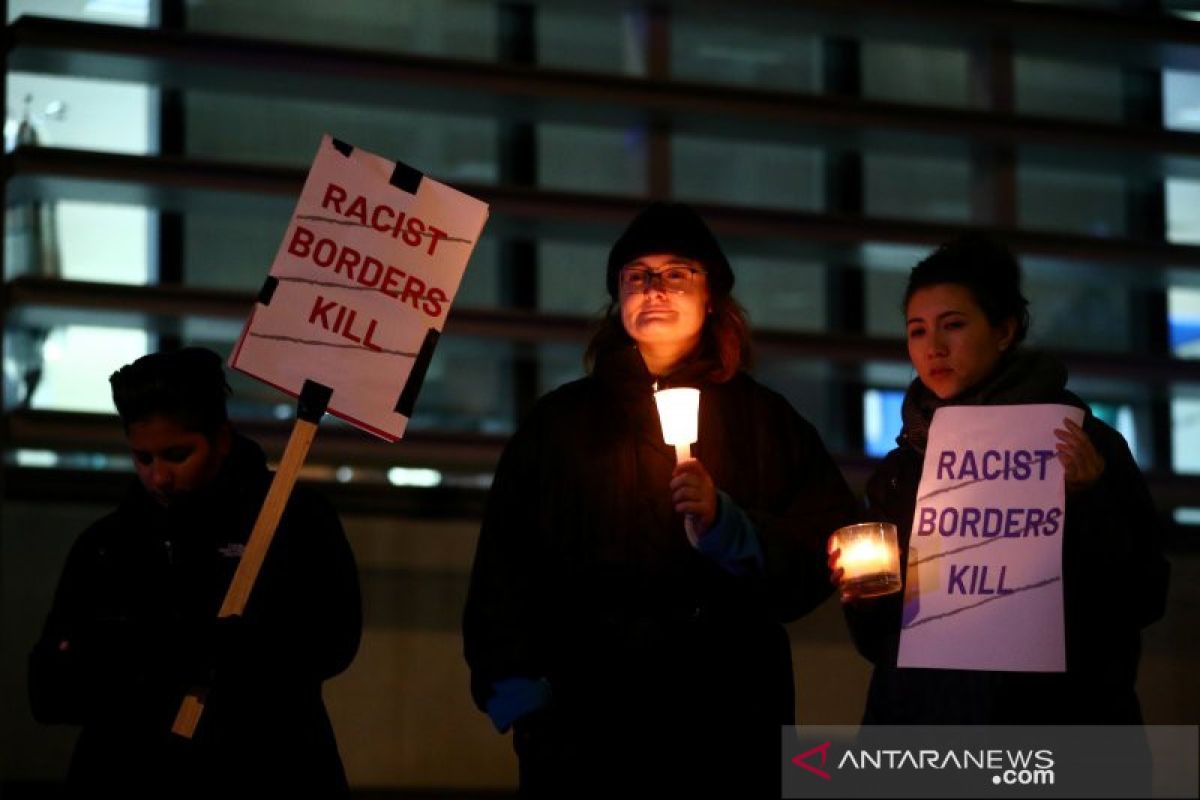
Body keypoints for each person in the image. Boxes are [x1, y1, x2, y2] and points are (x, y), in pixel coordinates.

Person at [462, 202, 858, 796]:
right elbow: (506, 564)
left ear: (712, 297)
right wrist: (521, 699)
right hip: (585, 726)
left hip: (728, 724)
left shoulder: (765, 422)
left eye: (676, 273)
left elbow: (824, 540)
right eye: (636, 276)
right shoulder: (562, 423)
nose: (654, 289)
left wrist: (732, 530)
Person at [829, 234, 1170, 725]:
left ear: (1004, 331)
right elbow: (880, 642)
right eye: (918, 331)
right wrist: (864, 591)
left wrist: (1090, 501)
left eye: (954, 325)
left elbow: (1142, 595)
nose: (934, 348)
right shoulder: (902, 471)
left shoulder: (1077, 445)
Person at [28, 347, 362, 796]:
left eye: (177, 454)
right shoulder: (107, 545)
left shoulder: (293, 521)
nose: (158, 477)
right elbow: (51, 688)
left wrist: (163, 653)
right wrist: (180, 654)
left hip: (268, 774)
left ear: (221, 438)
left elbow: (331, 642)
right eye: (142, 459)